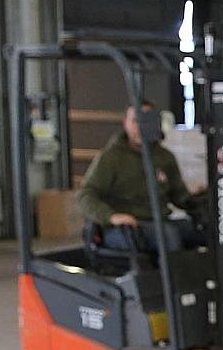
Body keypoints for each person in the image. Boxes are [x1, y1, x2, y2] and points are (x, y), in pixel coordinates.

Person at [77, 100, 204, 253]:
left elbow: (179, 196)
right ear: (125, 123)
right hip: (125, 226)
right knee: (168, 236)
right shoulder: (111, 158)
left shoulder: (164, 157)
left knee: (204, 230)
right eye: (136, 121)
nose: (141, 127)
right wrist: (112, 216)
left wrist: (199, 198)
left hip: (158, 221)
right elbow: (86, 195)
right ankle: (172, 277)